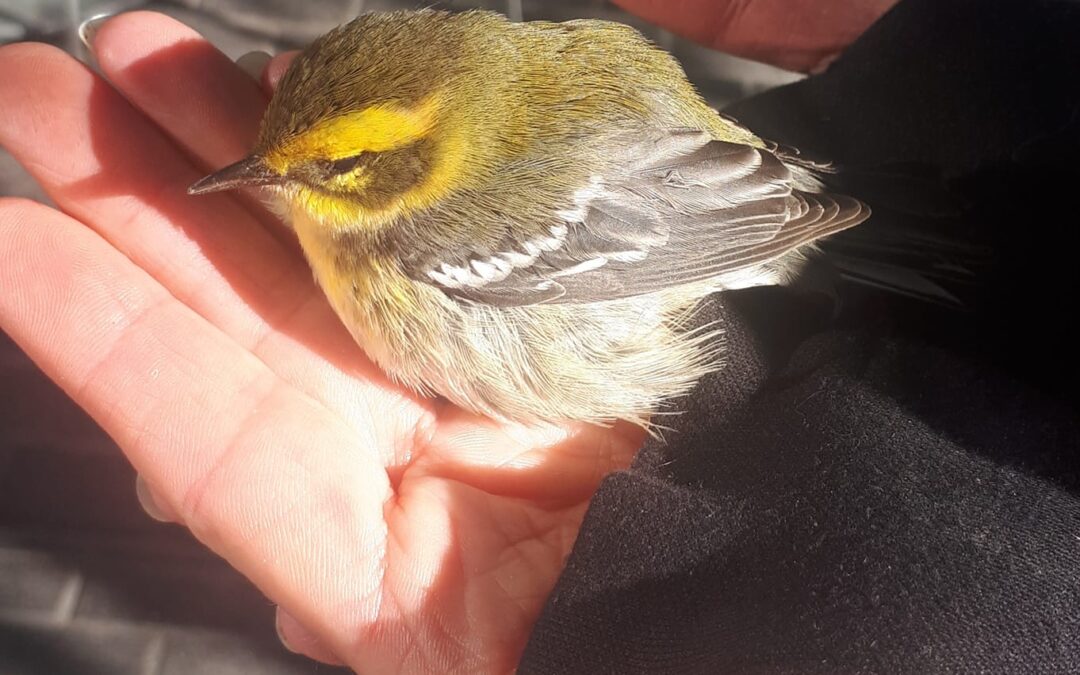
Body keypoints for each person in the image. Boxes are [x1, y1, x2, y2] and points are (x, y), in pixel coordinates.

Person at [2, 0, 1078, 672]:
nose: (278, 181)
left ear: (407, 164)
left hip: (685, 236)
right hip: (717, 171)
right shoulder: (460, 93)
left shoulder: (430, 230)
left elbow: (636, 238)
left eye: (324, 169)